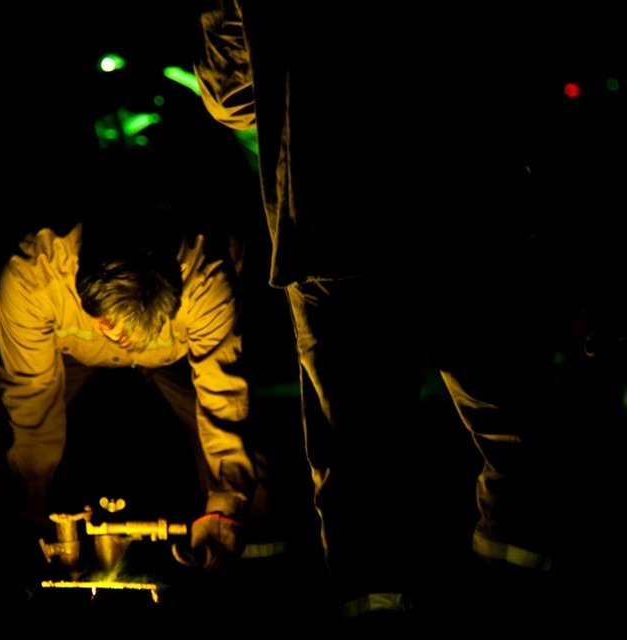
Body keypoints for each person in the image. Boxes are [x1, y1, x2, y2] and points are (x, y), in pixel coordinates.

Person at [195, 0, 557, 623]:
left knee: (357, 455)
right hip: (468, 211)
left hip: (337, 227)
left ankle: (375, 610)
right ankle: (516, 597)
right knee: (515, 425)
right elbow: (517, 68)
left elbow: (232, 97)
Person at [0, 206, 254, 567]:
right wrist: (35, 499)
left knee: (258, 468)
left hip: (174, 358)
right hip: (69, 355)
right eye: (111, 328)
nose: (124, 341)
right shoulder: (32, 278)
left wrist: (226, 506)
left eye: (134, 334)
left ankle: (246, 575)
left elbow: (223, 396)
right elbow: (30, 391)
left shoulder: (207, 281)